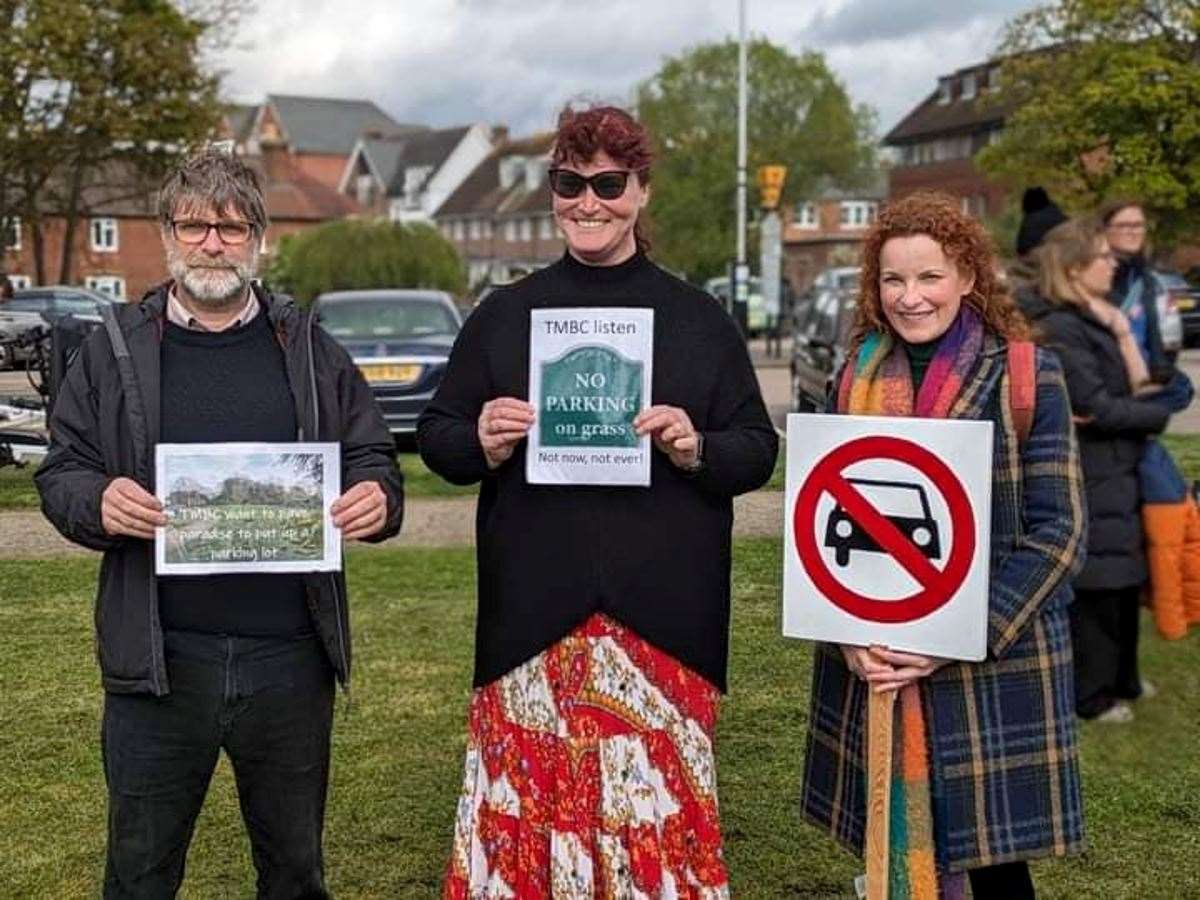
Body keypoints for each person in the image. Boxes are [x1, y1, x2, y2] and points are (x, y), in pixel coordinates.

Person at [418, 104, 778, 897]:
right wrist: (478, 436)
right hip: (532, 620)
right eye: (569, 183)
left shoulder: (698, 320)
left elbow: (756, 448)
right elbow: (438, 438)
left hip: (661, 621)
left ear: (642, 191)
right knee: (531, 833)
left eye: (609, 183)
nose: (588, 201)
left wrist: (696, 446)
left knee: (649, 833)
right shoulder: (505, 315)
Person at [35, 148, 404, 898]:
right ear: (168, 233)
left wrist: (377, 497)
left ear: (259, 239)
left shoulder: (307, 346)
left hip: (289, 663)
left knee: (295, 872)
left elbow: (374, 455)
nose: (213, 243)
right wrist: (98, 501)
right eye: (196, 225)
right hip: (160, 662)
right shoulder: (114, 349)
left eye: (232, 228)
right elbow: (60, 470)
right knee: (140, 872)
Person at [800, 192, 1086, 900]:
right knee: (890, 842)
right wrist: (844, 633)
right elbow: (826, 520)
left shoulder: (1025, 376)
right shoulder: (853, 377)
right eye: (893, 279)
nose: (911, 297)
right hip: (875, 656)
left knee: (993, 867)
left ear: (966, 275)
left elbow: (1060, 531)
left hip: (989, 662)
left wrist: (958, 633)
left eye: (929, 277)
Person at [1018, 217, 1173, 722]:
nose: (1114, 264)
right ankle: (1091, 692)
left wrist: (1126, 335)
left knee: (1125, 573)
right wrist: (1157, 411)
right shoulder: (1061, 328)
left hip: (1116, 464)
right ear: (1076, 266)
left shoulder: (1096, 319)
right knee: (1098, 583)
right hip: (1090, 468)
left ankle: (1121, 677)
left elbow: (1137, 389)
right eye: (1104, 256)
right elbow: (1099, 406)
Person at [1100, 200, 1173, 380]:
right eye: (1124, 225)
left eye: (1138, 225)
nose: (1133, 232)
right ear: (1105, 230)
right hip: (1107, 382)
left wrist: (1160, 372)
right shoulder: (1095, 277)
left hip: (1142, 378)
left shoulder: (1143, 276)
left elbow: (1152, 330)